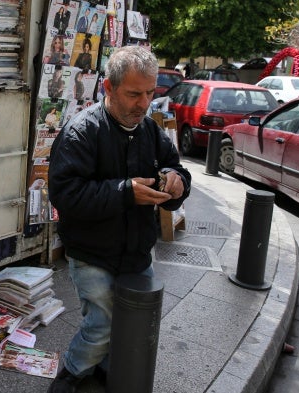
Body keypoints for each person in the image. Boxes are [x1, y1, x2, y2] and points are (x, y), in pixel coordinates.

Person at [46, 46, 191, 393]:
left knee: (133, 323)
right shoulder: (81, 131)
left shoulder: (150, 131)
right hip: (91, 252)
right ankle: (72, 371)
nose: (143, 104)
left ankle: (105, 369)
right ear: (108, 89)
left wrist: (176, 182)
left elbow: (177, 167)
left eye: (149, 93)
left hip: (137, 250)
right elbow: (65, 196)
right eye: (133, 94)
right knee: (103, 323)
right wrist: (125, 192)